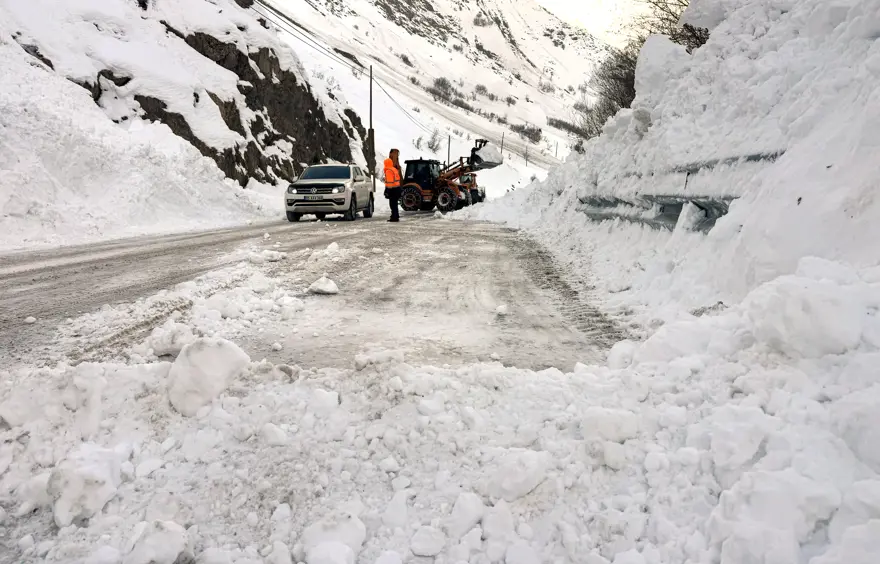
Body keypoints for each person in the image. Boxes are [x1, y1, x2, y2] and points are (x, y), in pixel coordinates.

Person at [383, 149, 402, 222]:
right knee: (395, 204)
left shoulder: (388, 171)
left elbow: (390, 183)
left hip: (393, 190)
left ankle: (394, 217)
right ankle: (395, 215)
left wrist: (387, 191)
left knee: (392, 204)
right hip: (397, 189)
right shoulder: (394, 169)